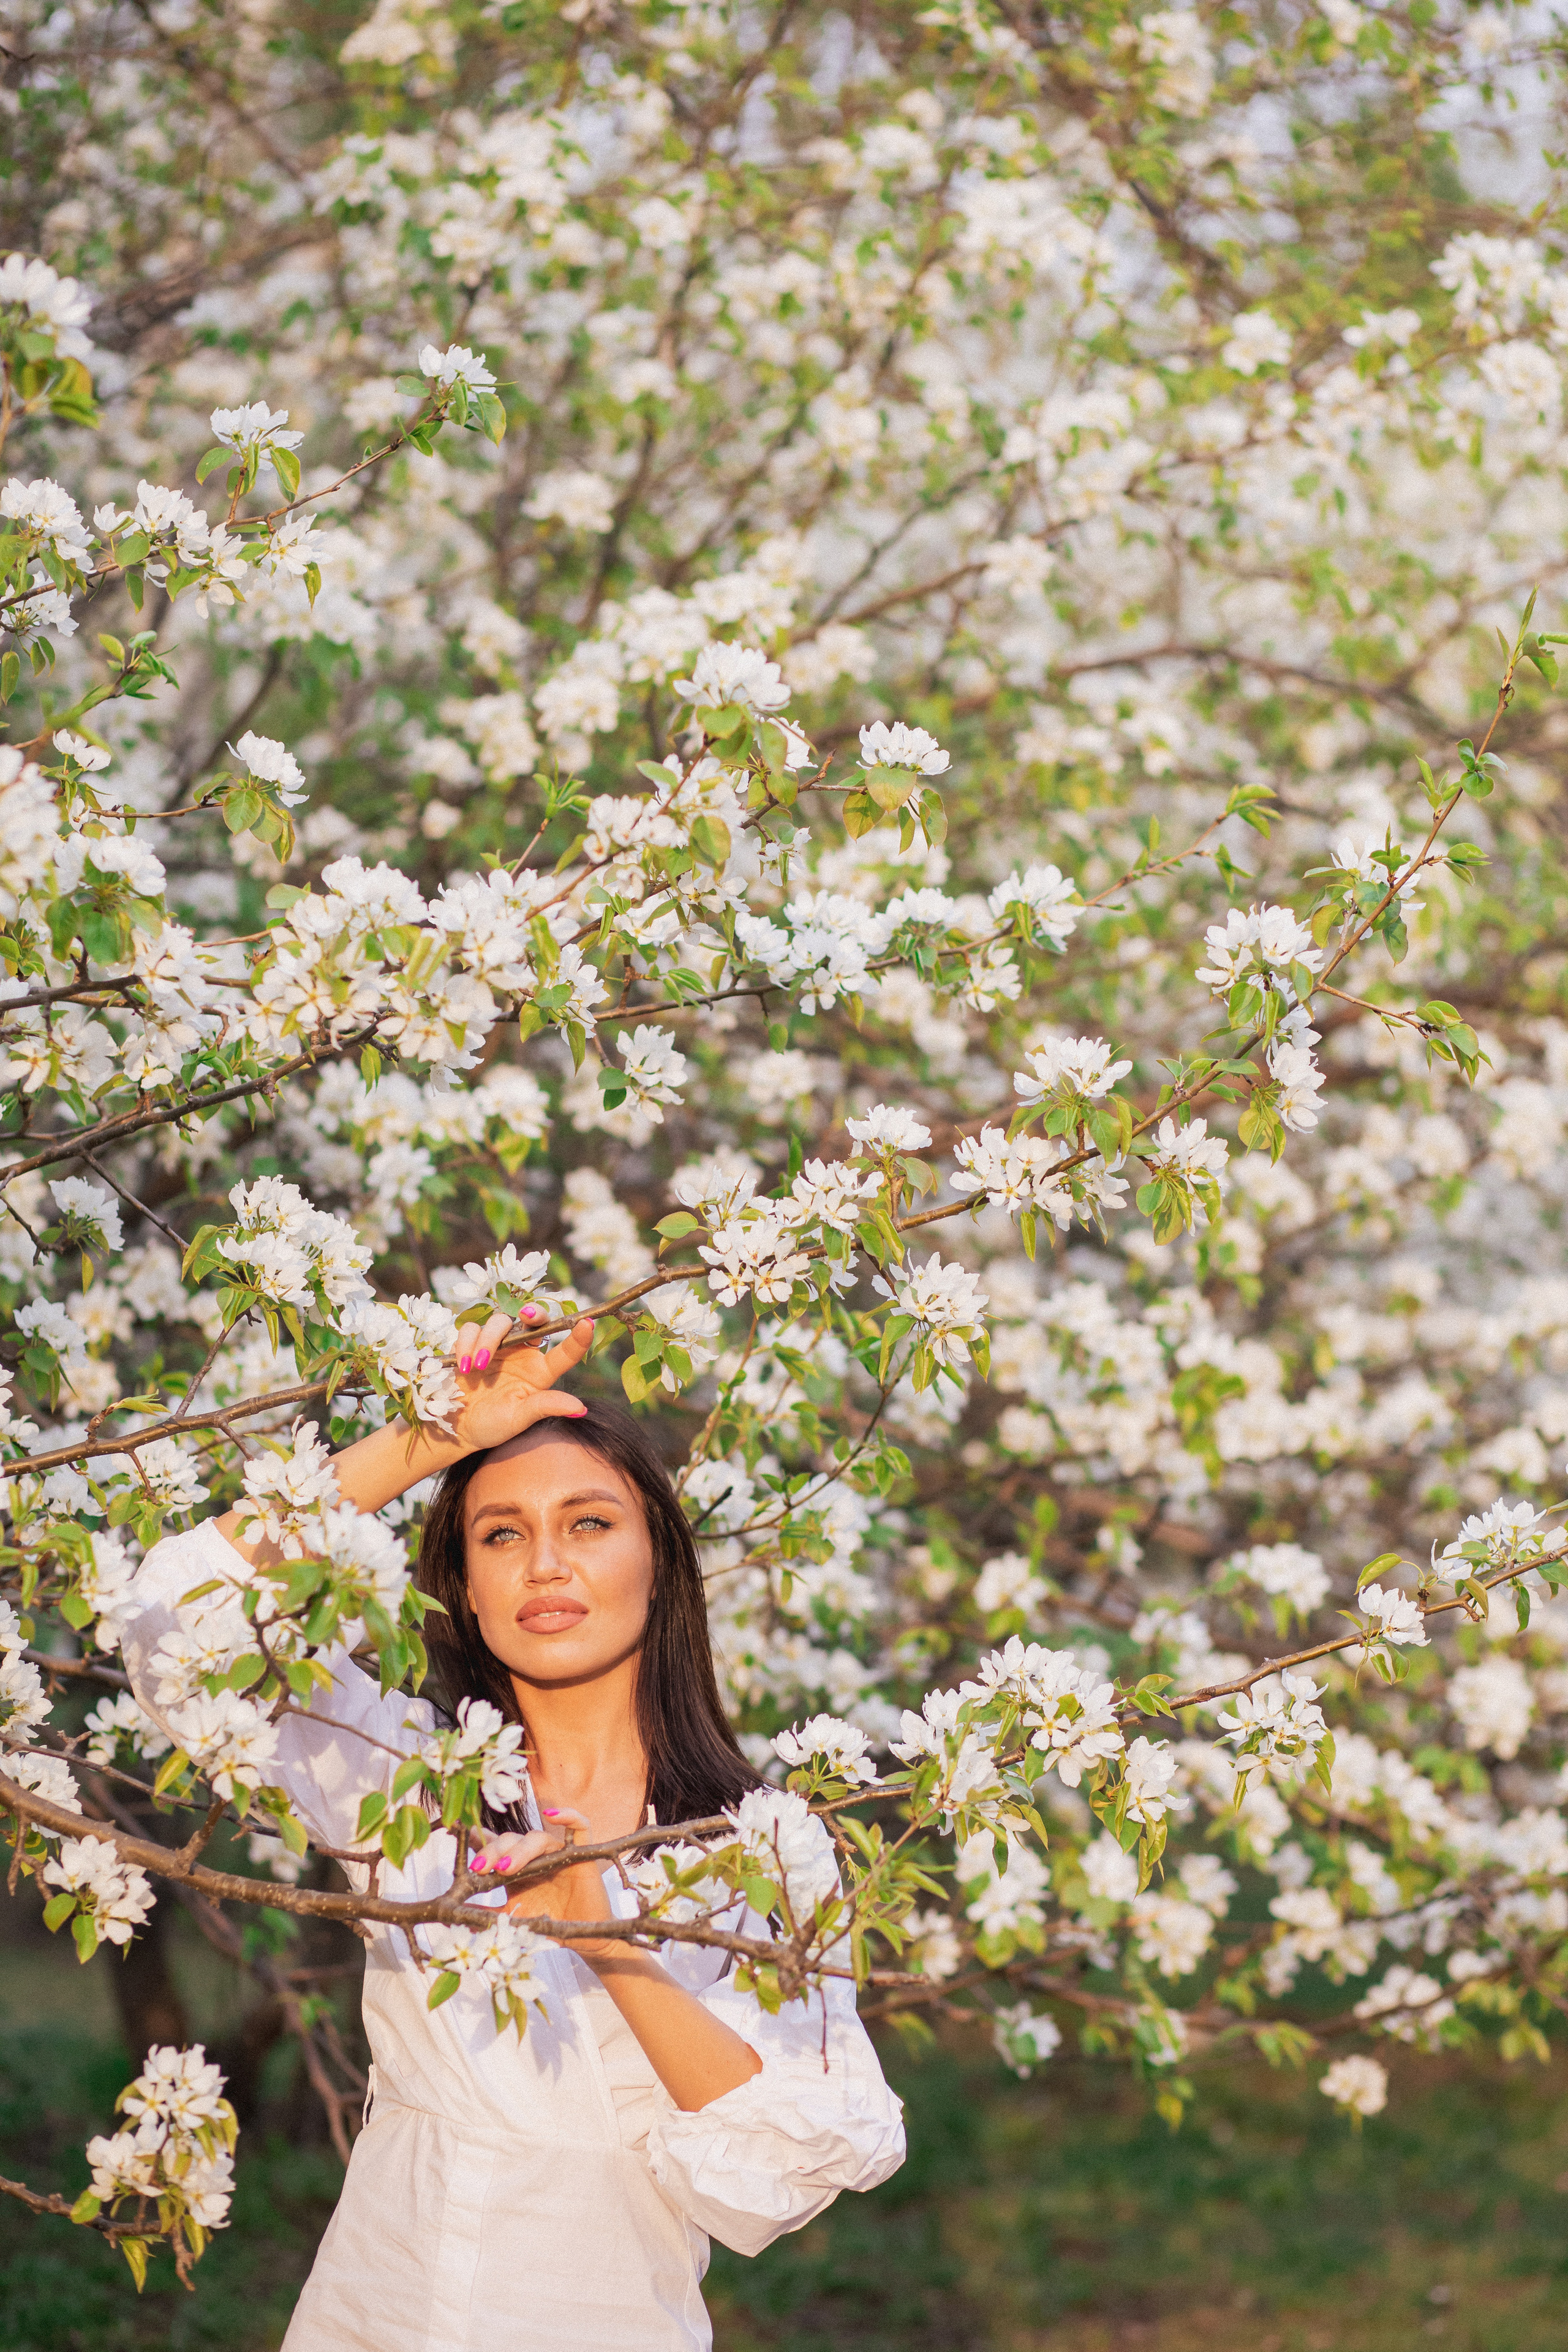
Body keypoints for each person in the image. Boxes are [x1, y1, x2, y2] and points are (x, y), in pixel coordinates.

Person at [120, 1306, 906, 2352]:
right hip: (381, 2312)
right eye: (503, 1534)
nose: (545, 1564)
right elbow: (174, 1627)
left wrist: (606, 1939)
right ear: (468, 1592)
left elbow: (785, 2168)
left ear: (658, 1562)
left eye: (588, 1523)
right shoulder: (404, 1776)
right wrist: (433, 1434)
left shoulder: (762, 1851)